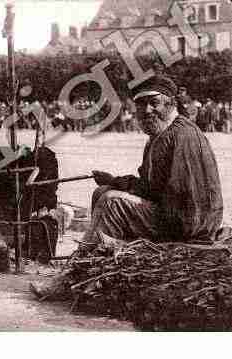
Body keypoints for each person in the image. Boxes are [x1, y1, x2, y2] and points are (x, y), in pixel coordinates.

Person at [78, 75, 222, 253]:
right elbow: (152, 186)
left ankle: (87, 258)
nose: (147, 110)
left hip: (187, 222)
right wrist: (115, 182)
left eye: (154, 103)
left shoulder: (183, 135)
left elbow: (183, 198)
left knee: (112, 202)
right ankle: (104, 252)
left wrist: (124, 191)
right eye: (141, 104)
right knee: (102, 192)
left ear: (171, 104)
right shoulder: (158, 136)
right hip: (170, 213)